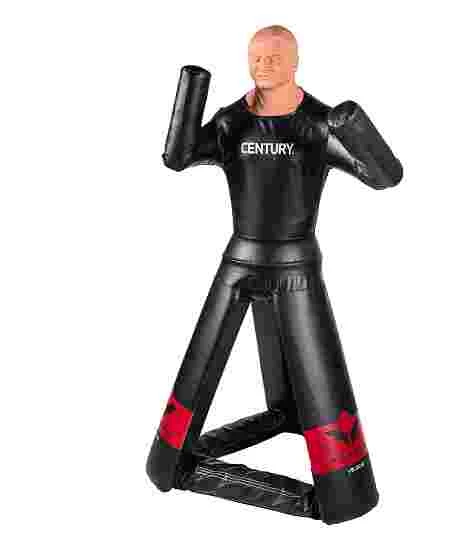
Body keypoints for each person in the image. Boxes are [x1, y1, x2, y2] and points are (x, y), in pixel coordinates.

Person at [147, 25, 403, 525]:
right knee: (200, 376)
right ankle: (174, 459)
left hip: (297, 264)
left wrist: (353, 125)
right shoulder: (232, 122)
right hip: (239, 258)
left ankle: (343, 485)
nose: (262, 65)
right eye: (255, 57)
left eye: (273, 57)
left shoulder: (318, 125)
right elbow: (179, 158)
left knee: (317, 371)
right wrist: (191, 90)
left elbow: (385, 177)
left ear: (294, 62)